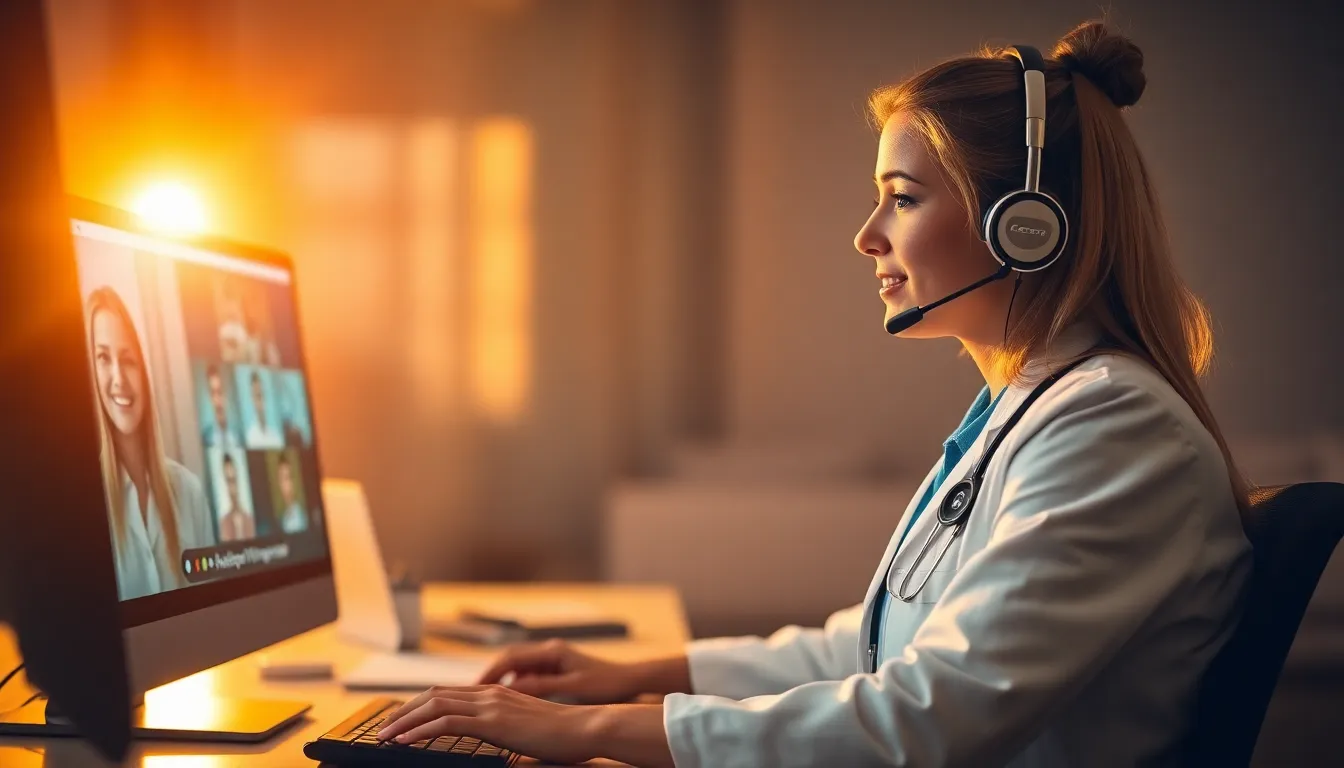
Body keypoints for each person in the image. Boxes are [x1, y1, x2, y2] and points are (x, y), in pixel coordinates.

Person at [375, 21, 1254, 767]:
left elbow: (930, 713)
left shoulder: (1113, 426)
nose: (867, 236)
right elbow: (868, 650)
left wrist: (593, 728)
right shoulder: (1036, 409)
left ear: (1025, 224)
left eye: (902, 199)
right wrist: (637, 672)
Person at [86, 287, 215, 601]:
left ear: (143, 372)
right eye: (103, 358)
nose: (118, 378)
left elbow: (217, 619)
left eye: (128, 360)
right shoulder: (79, 506)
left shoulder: (189, 491)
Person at [217, 453, 256, 542]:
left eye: (233, 480)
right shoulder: (224, 524)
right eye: (228, 481)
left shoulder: (249, 520)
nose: (232, 489)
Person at [201, 364, 241, 450]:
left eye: (220, 392)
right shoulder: (206, 438)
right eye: (213, 394)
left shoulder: (239, 436)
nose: (217, 400)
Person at [244, 369, 283, 449]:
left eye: (262, 395)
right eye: (257, 396)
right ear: (252, 399)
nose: (261, 401)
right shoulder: (250, 437)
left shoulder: (276, 435)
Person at [275, 454, 308, 534]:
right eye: (281, 479)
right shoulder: (283, 518)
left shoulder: (302, 516)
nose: (285, 484)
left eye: (287, 478)